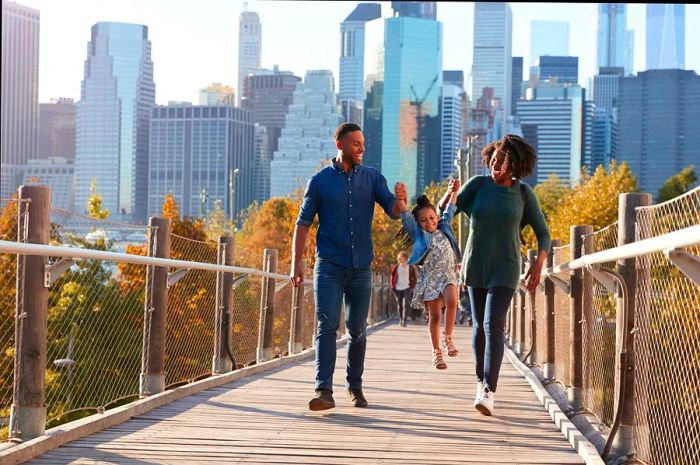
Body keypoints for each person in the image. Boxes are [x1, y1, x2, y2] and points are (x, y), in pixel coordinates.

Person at [290, 122, 407, 411]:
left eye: (363, 144)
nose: (362, 148)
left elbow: (393, 211)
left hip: (361, 268)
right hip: (328, 265)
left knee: (358, 329)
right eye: (356, 143)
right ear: (340, 145)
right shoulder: (319, 181)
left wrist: (402, 201)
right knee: (327, 325)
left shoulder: (373, 178)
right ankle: (323, 390)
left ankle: (354, 387)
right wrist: (297, 263)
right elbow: (302, 224)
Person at [455, 134, 551, 416]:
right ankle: (478, 380)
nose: (494, 165)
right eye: (493, 160)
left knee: (493, 324)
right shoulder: (478, 185)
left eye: (501, 162)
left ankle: (488, 390)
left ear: (514, 165)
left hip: (506, 267)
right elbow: (444, 214)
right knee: (479, 327)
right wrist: (447, 198)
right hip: (476, 265)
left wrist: (538, 265)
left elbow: (544, 235)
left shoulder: (523, 194)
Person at [394, 179, 462, 370]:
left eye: (432, 218)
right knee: (434, 316)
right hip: (430, 278)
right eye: (423, 220)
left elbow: (450, 208)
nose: (429, 222)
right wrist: (400, 198)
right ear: (418, 223)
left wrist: (453, 191)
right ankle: (436, 352)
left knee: (452, 301)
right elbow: (406, 215)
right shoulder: (419, 235)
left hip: (448, 274)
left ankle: (448, 337)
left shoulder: (444, 226)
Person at [390, 251, 417, 327]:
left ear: (405, 258)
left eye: (400, 258)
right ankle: (401, 319)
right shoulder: (396, 267)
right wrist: (392, 286)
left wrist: (412, 286)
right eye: (398, 258)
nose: (398, 259)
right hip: (397, 288)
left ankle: (404, 321)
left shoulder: (410, 267)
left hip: (407, 288)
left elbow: (414, 278)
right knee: (399, 304)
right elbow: (392, 277)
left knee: (406, 304)